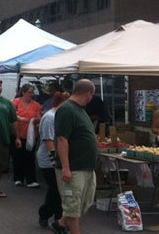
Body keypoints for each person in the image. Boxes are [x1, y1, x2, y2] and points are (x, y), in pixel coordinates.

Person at [51, 79, 98, 234]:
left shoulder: (80, 109)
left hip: (86, 166)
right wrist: (66, 168)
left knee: (84, 203)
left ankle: (60, 224)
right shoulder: (67, 109)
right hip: (74, 167)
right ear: (89, 93)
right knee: (72, 206)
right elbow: (62, 139)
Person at [37, 91, 69, 228]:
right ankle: (49, 215)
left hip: (56, 159)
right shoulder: (50, 117)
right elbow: (49, 141)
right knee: (56, 190)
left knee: (56, 190)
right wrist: (56, 161)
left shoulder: (60, 116)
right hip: (48, 161)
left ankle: (54, 216)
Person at [11, 83, 42, 188]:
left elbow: (38, 118)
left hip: (31, 135)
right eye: (30, 92)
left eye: (33, 92)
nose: (32, 94)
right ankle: (18, 178)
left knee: (30, 157)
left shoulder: (36, 105)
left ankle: (31, 179)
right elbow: (10, 114)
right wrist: (20, 118)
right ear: (23, 92)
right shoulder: (16, 102)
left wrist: (37, 121)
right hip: (17, 133)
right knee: (17, 156)